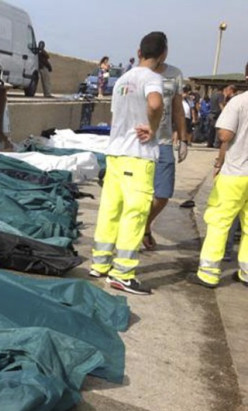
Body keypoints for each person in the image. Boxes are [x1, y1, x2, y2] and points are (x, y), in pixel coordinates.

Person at [88, 32, 166, 295]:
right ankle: (122, 272)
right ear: (163, 54)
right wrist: (153, 128)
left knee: (110, 209)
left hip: (115, 154)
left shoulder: (122, 79)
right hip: (138, 155)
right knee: (134, 214)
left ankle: (99, 264)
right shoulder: (152, 79)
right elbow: (155, 104)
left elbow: (116, 117)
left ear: (139, 51)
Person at [192, 65, 248, 288]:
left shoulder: (239, 102)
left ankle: (208, 272)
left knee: (219, 221)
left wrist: (219, 161)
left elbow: (225, 134)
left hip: (236, 173)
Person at [141, 52, 188, 251]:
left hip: (164, 141)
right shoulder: (137, 75)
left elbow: (177, 109)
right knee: (138, 194)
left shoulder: (174, 74)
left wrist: (183, 138)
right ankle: (136, 230)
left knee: (163, 193)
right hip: (140, 141)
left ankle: (143, 225)